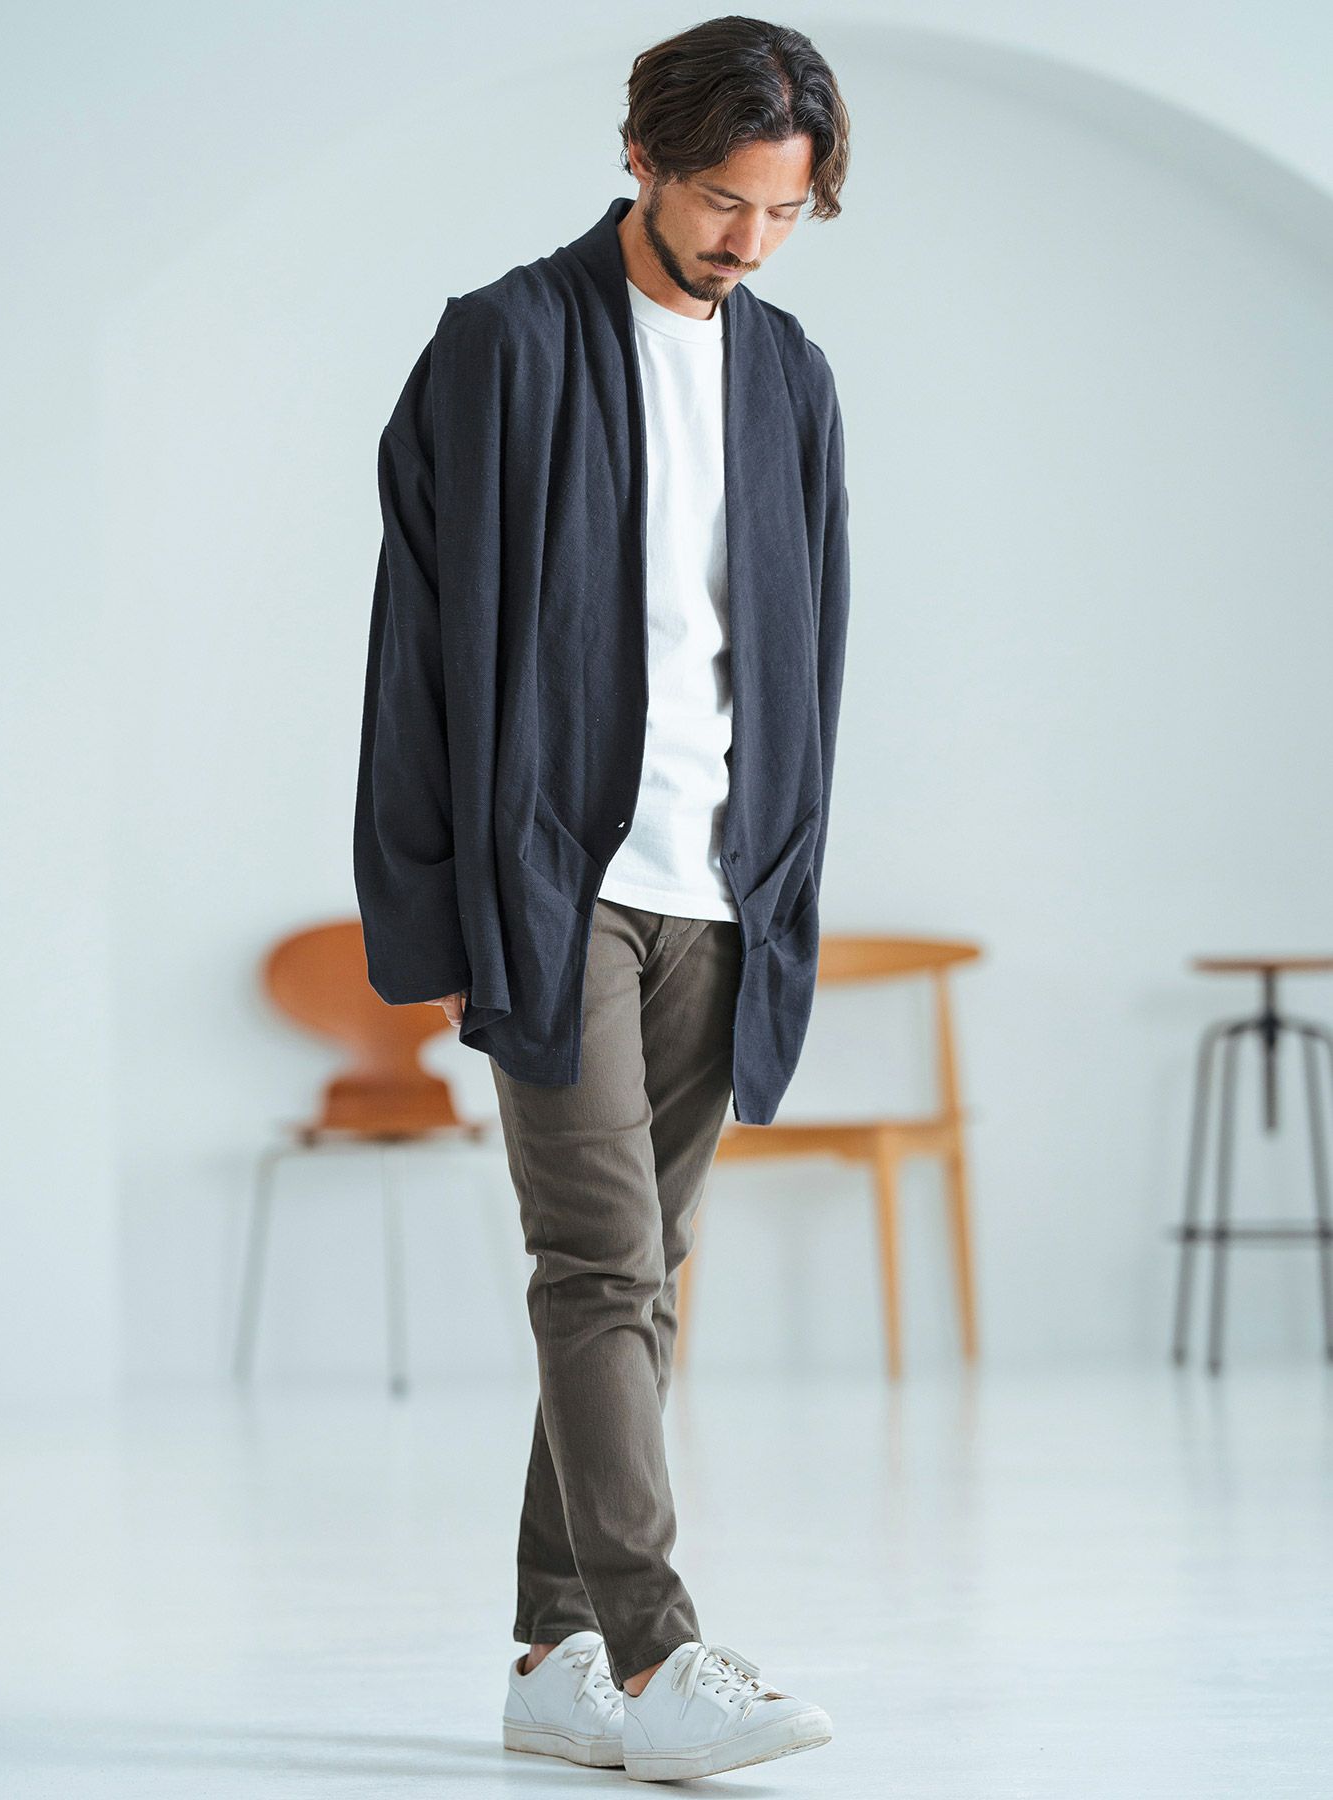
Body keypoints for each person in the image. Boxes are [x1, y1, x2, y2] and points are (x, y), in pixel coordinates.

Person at [353, 15, 852, 1782]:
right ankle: (657, 1650)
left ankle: (549, 1653)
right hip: (555, 882)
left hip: (723, 885)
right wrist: (431, 909)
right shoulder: (503, 342)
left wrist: (786, 873)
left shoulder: (789, 375)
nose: (747, 243)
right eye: (722, 202)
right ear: (641, 156)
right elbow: (417, 640)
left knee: (643, 1279)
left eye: (782, 214)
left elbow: (811, 649)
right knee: (598, 1260)